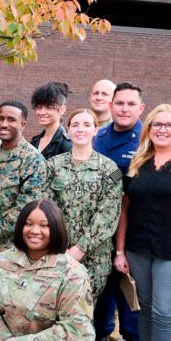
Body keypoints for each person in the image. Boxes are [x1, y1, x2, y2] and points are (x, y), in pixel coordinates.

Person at [0, 199, 94, 341]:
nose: (34, 230)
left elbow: (73, 327)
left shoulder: (72, 271)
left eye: (44, 225)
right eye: (28, 224)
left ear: (56, 229)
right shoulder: (3, 262)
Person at [113, 104, 171, 341]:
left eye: (169, 125)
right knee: (143, 308)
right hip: (137, 248)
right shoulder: (138, 164)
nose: (163, 129)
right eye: (157, 124)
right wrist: (120, 251)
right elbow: (124, 211)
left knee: (164, 312)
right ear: (149, 129)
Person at [92, 82, 145, 341]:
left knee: (127, 292)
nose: (123, 109)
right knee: (101, 288)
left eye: (130, 104)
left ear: (141, 108)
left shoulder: (145, 141)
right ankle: (100, 336)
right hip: (98, 226)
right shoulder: (99, 135)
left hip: (131, 228)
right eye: (119, 103)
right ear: (111, 106)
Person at [44, 108, 122, 302]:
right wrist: (60, 247)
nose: (81, 129)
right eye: (75, 124)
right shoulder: (53, 166)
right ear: (68, 130)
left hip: (94, 257)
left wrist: (81, 249)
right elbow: (46, 209)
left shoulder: (109, 168)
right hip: (57, 251)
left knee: (83, 313)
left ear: (95, 130)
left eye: (87, 125)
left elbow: (108, 214)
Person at [0, 101, 46, 261]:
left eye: (11, 120)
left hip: (15, 248)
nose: (4, 124)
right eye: (1, 118)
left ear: (22, 125)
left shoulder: (32, 159)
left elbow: (27, 206)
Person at [30, 82, 72, 160]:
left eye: (49, 107)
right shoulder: (34, 142)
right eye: (39, 107)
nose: (42, 112)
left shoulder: (67, 144)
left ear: (62, 110)